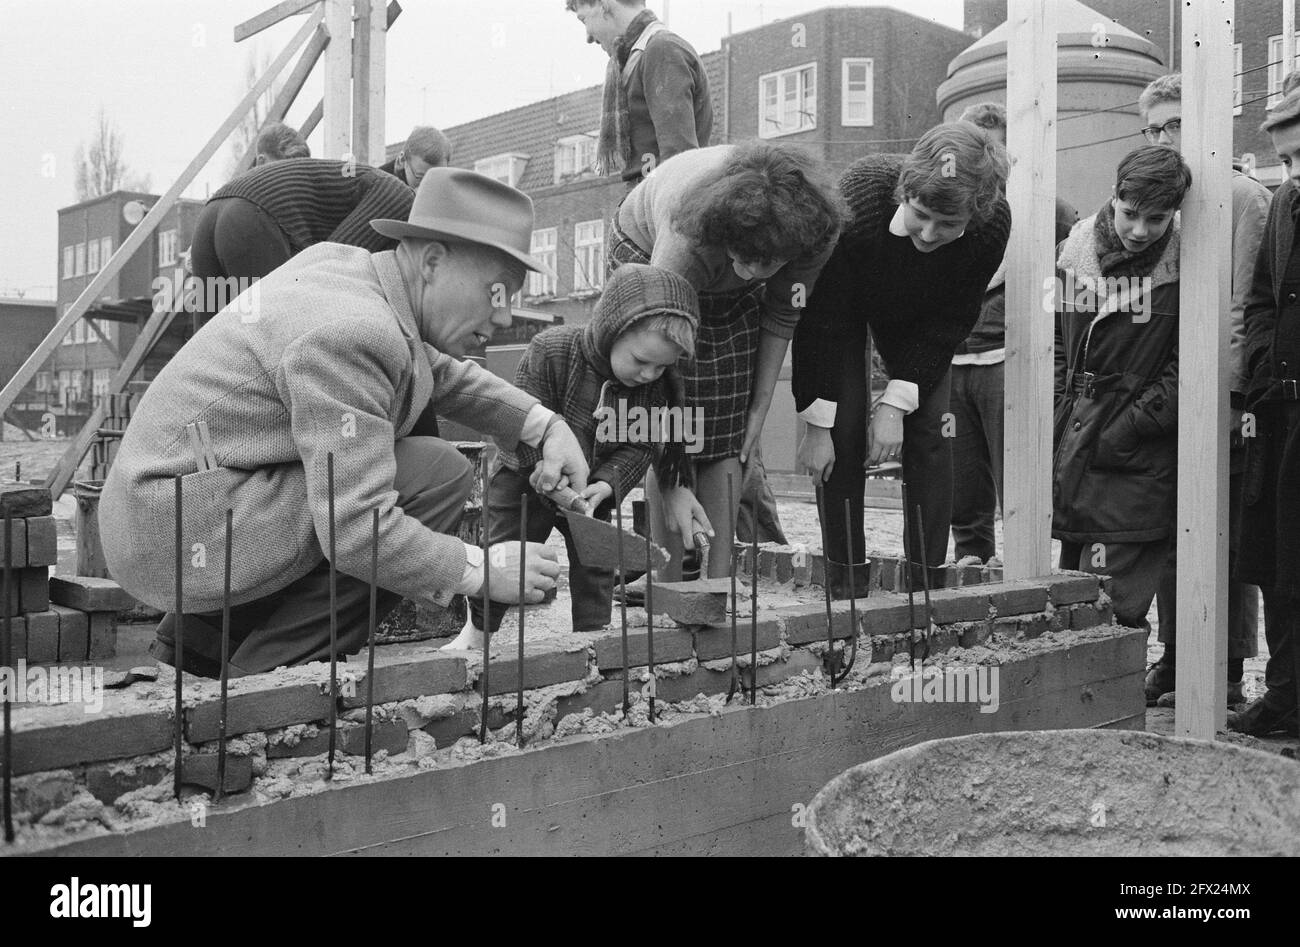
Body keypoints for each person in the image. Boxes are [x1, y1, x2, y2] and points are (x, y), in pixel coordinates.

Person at [99, 168, 590, 677]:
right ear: (434, 262)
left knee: (359, 468)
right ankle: (270, 683)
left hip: (181, 502)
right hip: (171, 528)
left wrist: (543, 425)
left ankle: (195, 656)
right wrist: (479, 570)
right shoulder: (352, 330)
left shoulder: (353, 272)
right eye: (497, 291)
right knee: (433, 475)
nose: (506, 316)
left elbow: (435, 372)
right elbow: (357, 528)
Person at [609, 142, 847, 578]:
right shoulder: (687, 239)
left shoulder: (813, 231)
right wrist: (673, 468)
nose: (751, 274)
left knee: (728, 425)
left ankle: (717, 579)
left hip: (740, 249)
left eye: (766, 265)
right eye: (743, 261)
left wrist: (757, 411)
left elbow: (781, 312)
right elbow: (659, 366)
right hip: (647, 248)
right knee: (676, 421)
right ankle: (667, 573)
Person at [794, 123, 1011, 597]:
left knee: (931, 430)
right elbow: (822, 319)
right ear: (904, 191)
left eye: (948, 225)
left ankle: (923, 586)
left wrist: (894, 404)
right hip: (845, 308)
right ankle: (845, 582)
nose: (930, 235)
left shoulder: (992, 225)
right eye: (921, 215)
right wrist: (816, 423)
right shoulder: (859, 196)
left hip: (922, 320)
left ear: (975, 217)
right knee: (843, 432)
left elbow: (951, 321)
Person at [445, 263, 698, 651]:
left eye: (662, 366)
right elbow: (519, 418)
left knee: (597, 565)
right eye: (641, 360)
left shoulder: (654, 387)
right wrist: (545, 468)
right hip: (524, 480)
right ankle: (478, 632)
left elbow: (640, 446)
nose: (649, 374)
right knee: (503, 552)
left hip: (592, 490)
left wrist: (605, 485)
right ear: (611, 331)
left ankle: (593, 639)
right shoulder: (551, 351)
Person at [1134, 74, 1270, 708]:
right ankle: (1178, 654)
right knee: (1169, 526)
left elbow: (1247, 304)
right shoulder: (1162, 204)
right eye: (1153, 128)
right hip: (1168, 394)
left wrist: (1234, 395)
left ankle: (1228, 666)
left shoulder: (1245, 198)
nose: (1163, 138)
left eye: (1175, 125)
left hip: (1221, 392)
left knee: (1229, 536)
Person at [1052, 145, 1192, 630]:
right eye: (1131, 214)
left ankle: (1111, 699)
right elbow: (1055, 341)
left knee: (1114, 608)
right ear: (1113, 196)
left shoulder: (1185, 268)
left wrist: (1131, 426)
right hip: (1078, 444)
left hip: (1135, 456)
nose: (1139, 231)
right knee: (1076, 600)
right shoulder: (1073, 253)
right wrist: (1058, 408)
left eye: (1156, 219)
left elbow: (1189, 365)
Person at [949, 102, 1079, 563]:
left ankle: (1025, 580)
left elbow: (1070, 284)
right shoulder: (947, 201)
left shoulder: (1050, 210)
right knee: (962, 494)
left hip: (1008, 359)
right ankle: (971, 577)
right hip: (951, 362)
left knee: (1020, 488)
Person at [1229, 87, 1300, 737]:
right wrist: (1256, 386)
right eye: (1287, 159)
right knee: (1281, 562)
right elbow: (1260, 302)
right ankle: (1285, 695)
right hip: (1280, 413)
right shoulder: (1283, 201)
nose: (1294, 171)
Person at [190, 157, 415, 307]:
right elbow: (330, 267)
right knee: (281, 329)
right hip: (252, 217)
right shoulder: (399, 197)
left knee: (204, 345)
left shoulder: (363, 181)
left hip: (212, 212)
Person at [566, 0, 712, 188]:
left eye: (583, 20)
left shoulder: (661, 50)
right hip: (648, 199)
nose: (588, 37)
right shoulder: (647, 52)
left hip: (657, 204)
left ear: (604, 4)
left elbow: (678, 162)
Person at [379, 125, 453, 188]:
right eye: (420, 178)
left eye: (438, 179)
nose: (429, 187)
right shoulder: (376, 188)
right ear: (401, 161)